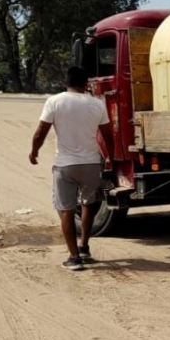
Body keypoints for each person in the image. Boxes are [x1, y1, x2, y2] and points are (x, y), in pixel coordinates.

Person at [29, 66, 115, 271]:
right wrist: (110, 157)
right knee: (88, 204)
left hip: (65, 165)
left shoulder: (55, 101)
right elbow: (108, 135)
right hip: (91, 164)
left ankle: (74, 257)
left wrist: (34, 152)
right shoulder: (97, 104)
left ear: (65, 82)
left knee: (66, 210)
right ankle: (84, 248)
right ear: (87, 84)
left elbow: (40, 132)